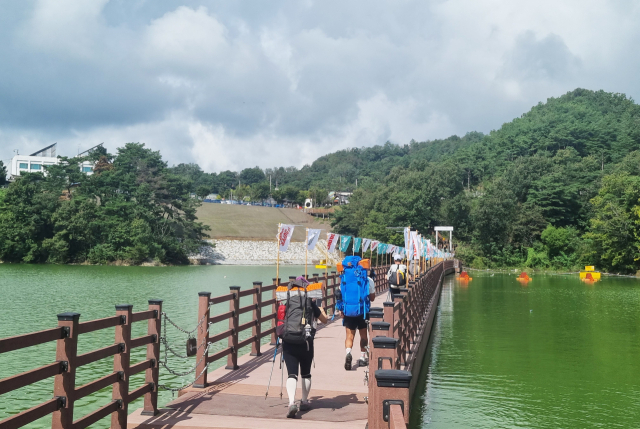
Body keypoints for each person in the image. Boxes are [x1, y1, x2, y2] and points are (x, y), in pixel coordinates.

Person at [281, 278, 329, 418]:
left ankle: (291, 403)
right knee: (306, 373)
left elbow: (281, 319)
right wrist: (319, 308)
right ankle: (304, 401)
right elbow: (325, 320)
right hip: (306, 342)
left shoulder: (288, 301)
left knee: (292, 374)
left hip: (289, 340)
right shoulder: (310, 303)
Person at [336, 258, 376, 370]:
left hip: (348, 312)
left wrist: (341, 309)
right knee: (363, 335)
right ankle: (363, 358)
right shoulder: (368, 280)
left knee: (349, 336)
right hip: (362, 312)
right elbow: (372, 298)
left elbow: (341, 295)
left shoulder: (344, 279)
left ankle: (348, 353)